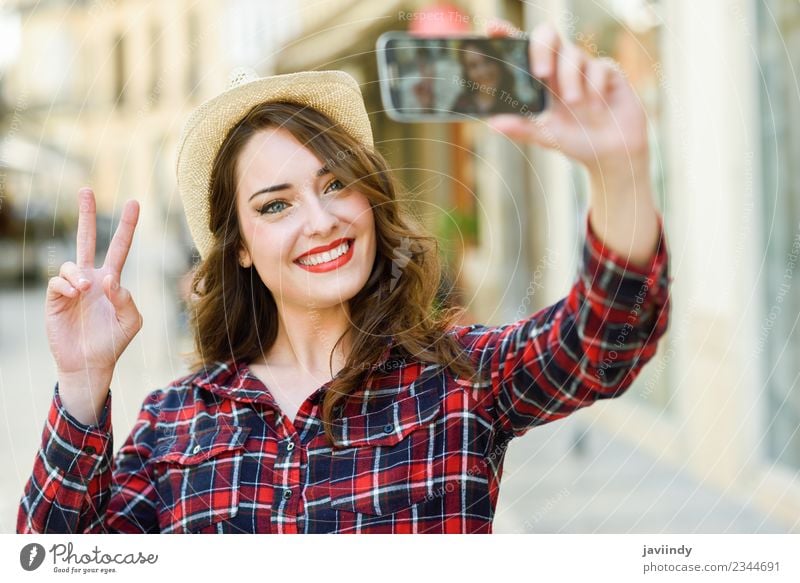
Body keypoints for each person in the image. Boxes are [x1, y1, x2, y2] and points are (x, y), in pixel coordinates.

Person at [17, 18, 670, 534]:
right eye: (276, 204)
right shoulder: (174, 424)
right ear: (239, 246)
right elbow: (61, 559)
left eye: (337, 184)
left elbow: (604, 341)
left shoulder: (457, 380)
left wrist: (620, 169)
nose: (322, 219)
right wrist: (82, 383)